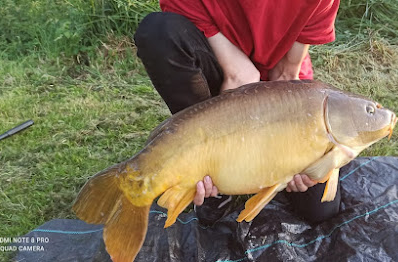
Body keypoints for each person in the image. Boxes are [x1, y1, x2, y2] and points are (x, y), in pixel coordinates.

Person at [134, 0, 341, 226]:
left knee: (321, 210)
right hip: (220, 80)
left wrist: (299, 154)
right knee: (159, 32)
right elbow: (238, 76)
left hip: (281, 92)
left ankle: (248, 169)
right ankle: (205, 165)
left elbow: (285, 74)